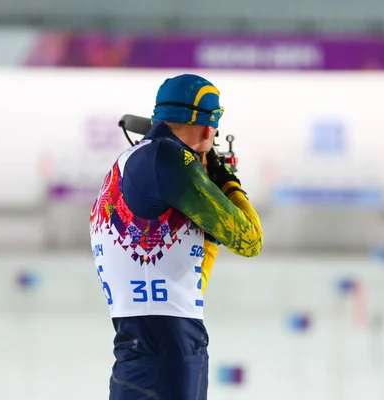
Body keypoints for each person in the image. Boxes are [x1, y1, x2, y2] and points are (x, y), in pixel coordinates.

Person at [89, 73, 263, 400]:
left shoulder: (130, 163)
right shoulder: (165, 159)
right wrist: (226, 181)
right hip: (172, 352)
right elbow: (250, 239)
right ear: (209, 129)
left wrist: (209, 232)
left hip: (139, 349)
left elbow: (189, 285)